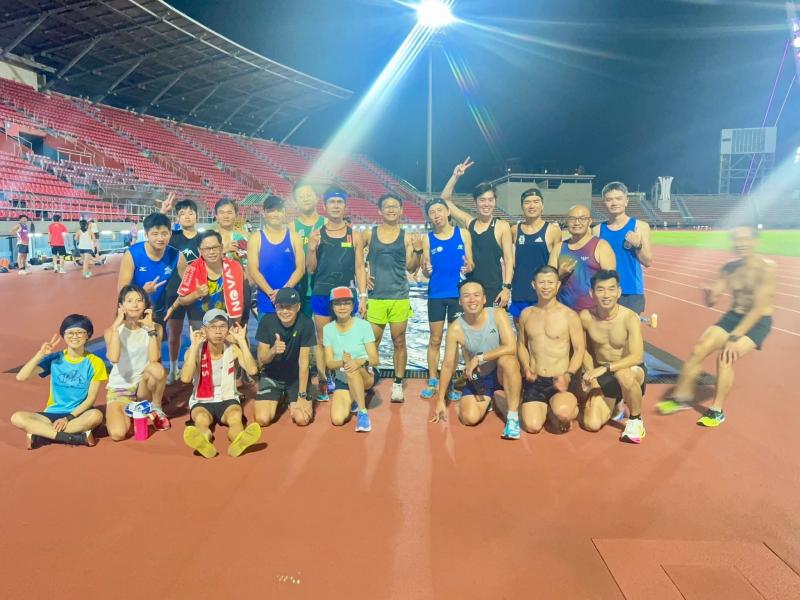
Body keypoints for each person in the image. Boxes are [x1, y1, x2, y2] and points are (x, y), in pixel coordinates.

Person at [657, 227, 775, 426]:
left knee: (725, 357)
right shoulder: (729, 267)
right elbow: (712, 302)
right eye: (737, 240)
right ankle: (681, 398)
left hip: (758, 320)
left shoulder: (766, 268)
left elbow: (758, 308)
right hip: (734, 316)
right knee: (698, 350)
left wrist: (735, 337)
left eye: (745, 239)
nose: (740, 244)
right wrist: (708, 293)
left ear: (754, 241)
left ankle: (716, 411)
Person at [430, 281, 522, 439]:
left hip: (501, 373)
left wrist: (479, 358)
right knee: (469, 419)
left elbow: (511, 346)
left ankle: (512, 418)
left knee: (508, 361)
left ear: (484, 299)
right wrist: (440, 400)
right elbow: (448, 365)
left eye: (476, 295)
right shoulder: (455, 329)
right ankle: (493, 399)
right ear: (460, 301)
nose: (472, 299)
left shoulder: (497, 314)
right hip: (480, 378)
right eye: (466, 296)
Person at [306, 187, 367, 402]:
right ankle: (324, 380)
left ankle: (346, 378)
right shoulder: (317, 234)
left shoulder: (354, 235)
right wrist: (311, 249)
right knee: (323, 340)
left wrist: (363, 296)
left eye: (339, 202)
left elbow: (359, 267)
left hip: (346, 295)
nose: (335, 206)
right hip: (322, 293)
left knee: (347, 338)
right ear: (325, 206)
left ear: (345, 206)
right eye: (331, 202)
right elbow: (310, 269)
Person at [11, 314, 105, 449]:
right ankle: (72, 438)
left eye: (80, 332)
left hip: (78, 414)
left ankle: (42, 435)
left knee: (96, 416)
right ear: (63, 335)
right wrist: (41, 354)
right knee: (17, 417)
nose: (74, 336)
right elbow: (21, 376)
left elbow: (90, 399)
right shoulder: (55, 359)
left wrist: (68, 418)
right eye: (70, 333)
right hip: (52, 413)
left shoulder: (96, 363)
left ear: (88, 335)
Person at [363, 194, 423, 402]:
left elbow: (411, 268)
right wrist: (362, 276)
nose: (391, 209)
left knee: (399, 341)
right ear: (380, 210)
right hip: (376, 297)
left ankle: (398, 383)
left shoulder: (406, 237)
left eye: (395, 206)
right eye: (387, 206)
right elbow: (355, 259)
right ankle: (368, 377)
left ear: (401, 210)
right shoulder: (369, 234)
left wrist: (418, 250)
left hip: (398, 296)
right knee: (372, 342)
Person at [180, 309, 261, 458]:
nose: (218, 331)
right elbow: (185, 378)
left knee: (235, 417)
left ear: (228, 329)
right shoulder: (195, 350)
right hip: (202, 400)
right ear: (204, 330)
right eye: (213, 327)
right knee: (201, 419)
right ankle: (203, 441)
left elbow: (253, 370)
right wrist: (194, 346)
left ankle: (239, 440)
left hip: (227, 397)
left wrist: (242, 341)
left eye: (222, 326)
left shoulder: (233, 349)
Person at [579, 270, 647, 443]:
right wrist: (590, 372)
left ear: (619, 292)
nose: (606, 295)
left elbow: (637, 356)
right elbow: (584, 349)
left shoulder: (629, 317)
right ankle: (617, 403)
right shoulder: (586, 317)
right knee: (591, 424)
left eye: (611, 289)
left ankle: (636, 420)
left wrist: (605, 368)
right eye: (600, 290)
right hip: (605, 375)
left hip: (630, 370)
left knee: (623, 374)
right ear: (592, 293)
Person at [515, 266, 585, 434]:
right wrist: (526, 367)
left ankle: (565, 407)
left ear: (558, 285)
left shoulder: (569, 315)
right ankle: (542, 409)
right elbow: (521, 345)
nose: (546, 287)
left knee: (563, 413)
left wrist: (568, 375)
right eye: (542, 282)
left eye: (550, 282)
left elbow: (579, 350)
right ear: (534, 285)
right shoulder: (526, 314)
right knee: (532, 427)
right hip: (535, 380)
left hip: (559, 380)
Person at [441, 158, 514, 308]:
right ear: (475, 202)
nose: (486, 204)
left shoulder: (502, 226)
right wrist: (455, 176)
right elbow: (444, 201)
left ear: (495, 201)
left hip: (494, 290)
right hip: (471, 288)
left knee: (495, 323)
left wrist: (507, 288)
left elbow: (508, 259)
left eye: (490, 200)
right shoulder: (469, 222)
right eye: (482, 200)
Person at [420, 198, 474, 400]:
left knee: (455, 341)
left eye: (440, 210)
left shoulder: (463, 234)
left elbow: (471, 264)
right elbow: (425, 271)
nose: (437, 215)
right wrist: (426, 270)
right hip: (436, 294)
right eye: (432, 212)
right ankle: (433, 379)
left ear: (448, 212)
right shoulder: (428, 239)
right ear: (429, 217)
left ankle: (449, 380)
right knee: (435, 339)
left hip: (457, 296)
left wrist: (469, 267)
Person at [104, 285, 170, 440]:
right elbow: (114, 358)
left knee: (157, 369)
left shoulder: (156, 328)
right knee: (118, 434)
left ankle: (156, 407)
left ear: (146, 305)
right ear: (121, 306)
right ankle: (132, 413)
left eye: (139, 300)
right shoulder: (111, 331)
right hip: (120, 390)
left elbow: (154, 359)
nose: (134, 305)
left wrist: (151, 329)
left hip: (142, 389)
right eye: (129, 301)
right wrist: (116, 328)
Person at [255, 288, 316, 426]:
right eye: (280, 306)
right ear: (275, 307)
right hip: (272, 376)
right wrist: (273, 351)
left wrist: (301, 396)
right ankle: (282, 397)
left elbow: (304, 362)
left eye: (289, 307)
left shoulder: (306, 324)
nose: (285, 311)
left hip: (295, 378)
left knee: (302, 419)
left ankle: (292, 396)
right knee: (262, 419)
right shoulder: (266, 321)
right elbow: (262, 359)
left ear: (298, 307)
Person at [323, 286, 379, 432]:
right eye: (338, 303)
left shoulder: (364, 326)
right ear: (332, 306)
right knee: (337, 419)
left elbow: (375, 359)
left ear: (353, 305)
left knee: (351, 367)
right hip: (343, 378)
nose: (342, 307)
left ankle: (363, 413)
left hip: (366, 374)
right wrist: (342, 362)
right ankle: (354, 396)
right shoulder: (328, 329)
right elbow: (329, 363)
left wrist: (359, 361)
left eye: (346, 303)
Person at [593, 182, 653, 314]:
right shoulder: (597, 230)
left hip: (631, 291)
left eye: (618, 198)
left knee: (630, 327)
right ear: (603, 203)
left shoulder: (640, 226)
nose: (614, 203)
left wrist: (638, 245)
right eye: (609, 199)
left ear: (626, 201)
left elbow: (648, 261)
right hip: (606, 291)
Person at [171, 230, 249, 330]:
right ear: (200, 250)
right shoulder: (192, 269)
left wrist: (236, 326)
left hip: (226, 319)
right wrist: (196, 294)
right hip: (200, 320)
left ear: (221, 248)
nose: (211, 252)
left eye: (215, 247)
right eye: (207, 249)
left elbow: (238, 300)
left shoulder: (234, 267)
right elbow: (182, 300)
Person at [117, 212, 186, 323]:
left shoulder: (177, 255)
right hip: (133, 312)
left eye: (164, 233)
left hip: (158, 312)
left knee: (158, 334)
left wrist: (174, 307)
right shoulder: (133, 254)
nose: (160, 238)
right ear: (146, 234)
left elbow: (188, 285)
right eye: (155, 234)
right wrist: (143, 292)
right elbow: (121, 291)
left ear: (170, 233)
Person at [509, 187, 562, 323]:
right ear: (522, 207)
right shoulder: (515, 230)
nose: (532, 206)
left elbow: (557, 263)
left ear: (542, 206)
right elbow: (509, 260)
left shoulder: (553, 231)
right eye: (527, 202)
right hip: (520, 292)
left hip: (543, 294)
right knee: (521, 333)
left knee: (543, 333)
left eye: (536, 202)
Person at [548, 204, 616, 311]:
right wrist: (560, 274)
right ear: (567, 221)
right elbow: (548, 281)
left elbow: (611, 282)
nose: (577, 223)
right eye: (572, 219)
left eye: (582, 218)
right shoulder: (559, 248)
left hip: (592, 314)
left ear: (589, 221)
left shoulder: (601, 246)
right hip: (564, 312)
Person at [247, 195, 305, 318]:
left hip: (290, 301)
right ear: (264, 213)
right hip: (267, 302)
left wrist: (283, 292)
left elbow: (300, 269)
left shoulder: (294, 237)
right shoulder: (255, 238)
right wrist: (271, 293)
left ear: (284, 212)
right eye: (271, 210)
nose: (275, 214)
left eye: (278, 210)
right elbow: (253, 270)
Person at [165, 198, 202, 384]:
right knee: (174, 335)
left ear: (197, 216)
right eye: (182, 214)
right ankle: (173, 369)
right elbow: (156, 232)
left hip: (198, 293)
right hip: (175, 292)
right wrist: (163, 212)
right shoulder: (172, 237)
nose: (187, 216)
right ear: (177, 218)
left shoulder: (204, 238)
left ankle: (199, 370)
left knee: (199, 334)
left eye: (190, 213)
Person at [289, 181, 326, 317]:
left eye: (309, 195)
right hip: (300, 290)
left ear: (317, 197)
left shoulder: (327, 224)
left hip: (323, 289)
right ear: (295, 202)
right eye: (301, 196)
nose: (305, 198)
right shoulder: (291, 228)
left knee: (325, 330)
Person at [214, 198, 248, 265]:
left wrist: (243, 256)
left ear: (236, 215)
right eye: (222, 212)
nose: (226, 216)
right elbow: (202, 261)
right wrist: (224, 250)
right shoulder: (209, 238)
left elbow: (245, 265)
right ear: (216, 216)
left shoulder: (240, 239)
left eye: (229, 212)